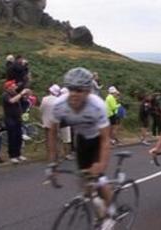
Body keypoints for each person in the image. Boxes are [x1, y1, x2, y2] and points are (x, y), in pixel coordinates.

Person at [47, 67, 116, 229]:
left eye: (79, 90)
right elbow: (52, 133)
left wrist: (100, 165)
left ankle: (110, 211)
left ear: (88, 91)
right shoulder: (59, 105)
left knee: (99, 179)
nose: (74, 93)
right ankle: (94, 200)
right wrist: (52, 163)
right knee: (84, 181)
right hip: (82, 139)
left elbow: (106, 140)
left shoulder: (97, 106)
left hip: (97, 140)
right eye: (71, 88)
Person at [2, 80, 31, 164]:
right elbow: (12, 101)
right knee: (12, 137)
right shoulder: (5, 95)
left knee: (19, 136)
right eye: (13, 85)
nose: (15, 86)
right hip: (10, 119)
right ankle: (12, 155)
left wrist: (27, 94)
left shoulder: (15, 93)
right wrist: (21, 94)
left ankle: (18, 154)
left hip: (17, 118)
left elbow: (24, 100)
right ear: (9, 87)